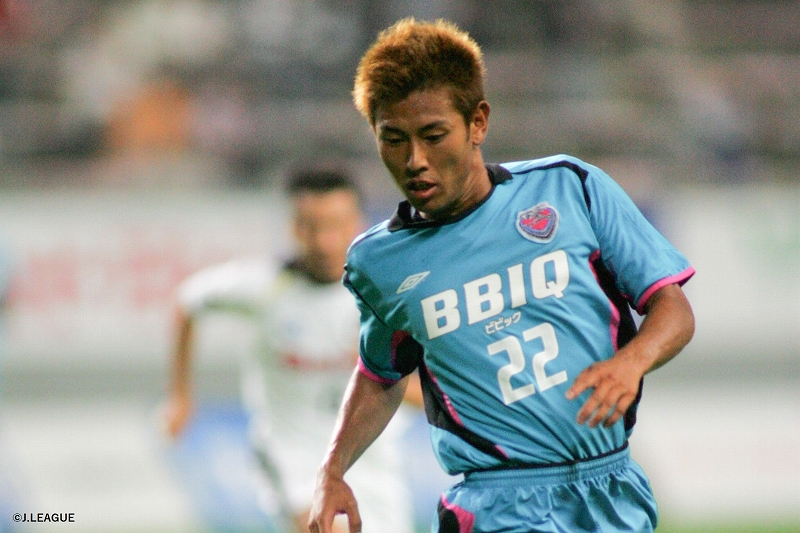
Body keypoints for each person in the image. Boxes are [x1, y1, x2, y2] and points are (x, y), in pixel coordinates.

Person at [309, 18, 695, 533]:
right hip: (495, 505)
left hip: (610, 490)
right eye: (393, 139)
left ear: (478, 122)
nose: (415, 160)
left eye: (433, 135)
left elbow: (672, 307)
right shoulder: (379, 262)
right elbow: (381, 375)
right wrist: (332, 469)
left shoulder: (570, 189)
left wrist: (632, 361)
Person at [163, 165, 415, 533]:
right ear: (294, 227)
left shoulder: (383, 295)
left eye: (336, 225)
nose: (324, 241)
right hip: (292, 455)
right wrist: (181, 397)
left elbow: (415, 389)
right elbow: (188, 302)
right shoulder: (264, 286)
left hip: (372, 460)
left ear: (358, 223)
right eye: (312, 227)